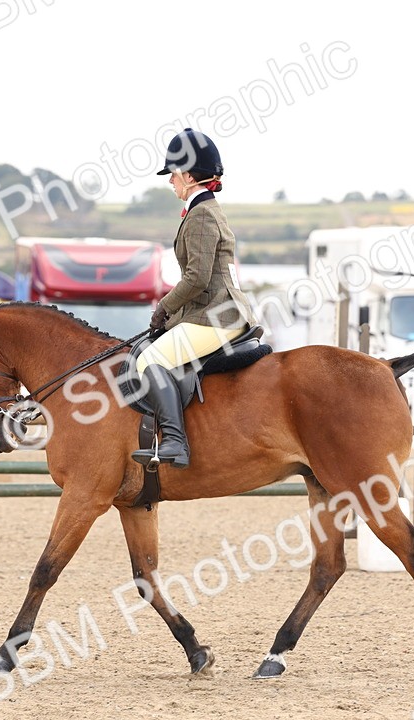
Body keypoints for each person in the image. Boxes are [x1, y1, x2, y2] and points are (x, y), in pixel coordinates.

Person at [131, 128, 256, 469]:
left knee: (149, 361)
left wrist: (164, 308)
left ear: (187, 176)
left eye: (173, 175)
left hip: (216, 315)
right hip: (216, 310)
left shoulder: (201, 213)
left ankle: (175, 442)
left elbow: (198, 278)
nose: (170, 181)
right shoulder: (202, 208)